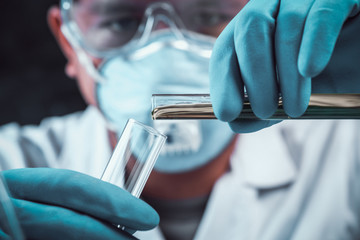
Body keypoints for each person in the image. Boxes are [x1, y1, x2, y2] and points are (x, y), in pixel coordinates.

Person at [1, 0, 360, 239]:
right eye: (121, 21)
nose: (164, 52)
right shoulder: (10, 171)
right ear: (67, 40)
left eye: (208, 17)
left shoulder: (347, 152)